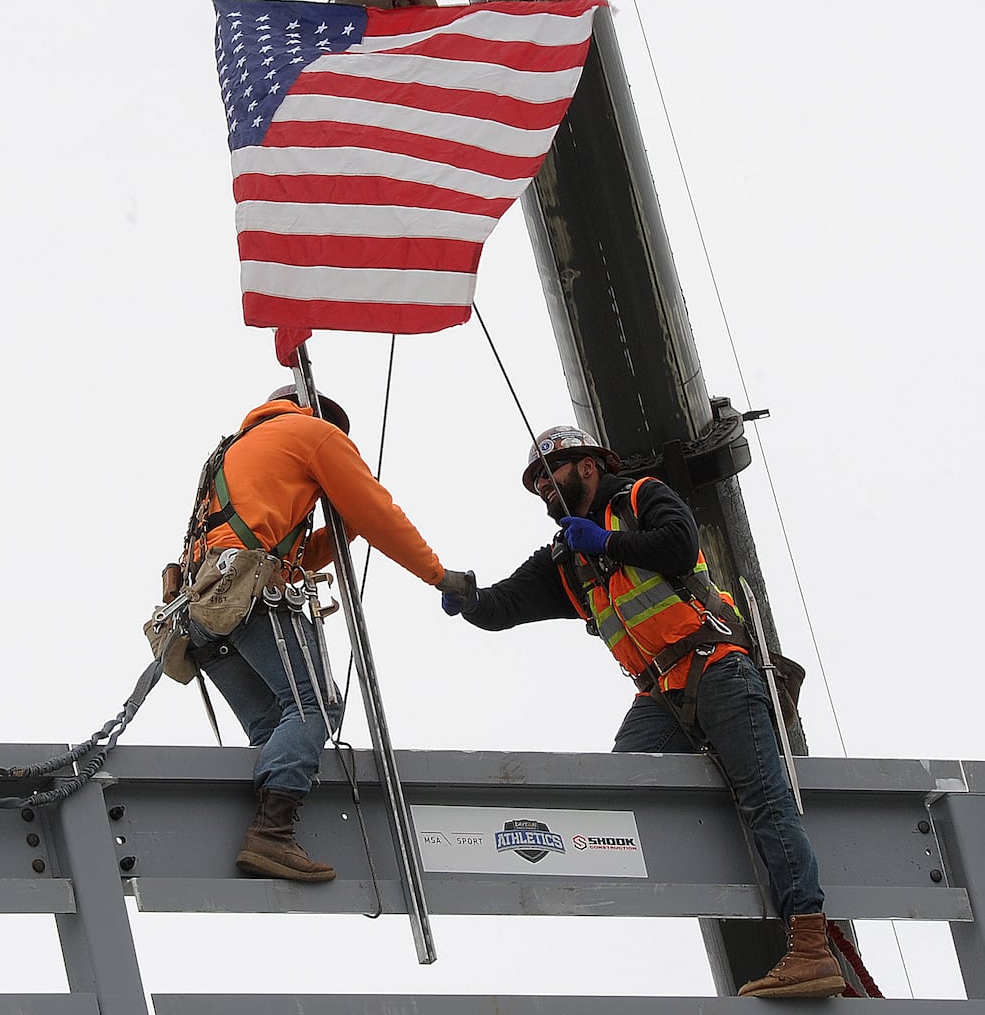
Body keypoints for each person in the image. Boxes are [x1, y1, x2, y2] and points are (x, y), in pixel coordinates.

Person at [439, 424, 845, 1000]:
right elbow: (503, 605)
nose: (543, 491)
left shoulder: (639, 498)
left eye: (548, 476)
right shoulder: (566, 557)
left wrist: (607, 545)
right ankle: (686, 905)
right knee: (624, 790)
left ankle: (810, 947)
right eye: (534, 486)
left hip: (718, 667)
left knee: (764, 798)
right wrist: (463, 595)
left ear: (587, 466)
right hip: (661, 694)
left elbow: (679, 545)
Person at [180, 386, 473, 884]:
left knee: (277, 722)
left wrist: (345, 528)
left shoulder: (235, 450)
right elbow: (381, 514)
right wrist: (440, 576)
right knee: (316, 704)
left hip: (201, 610)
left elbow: (294, 556)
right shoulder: (314, 434)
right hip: (247, 593)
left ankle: (268, 820)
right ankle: (271, 834)